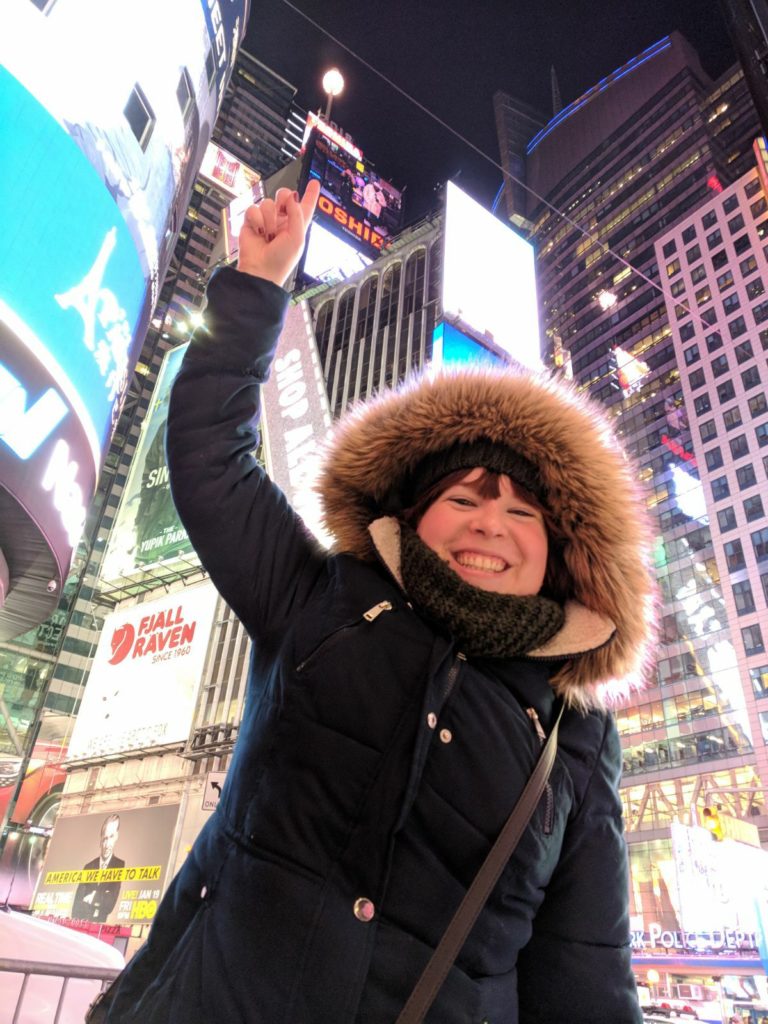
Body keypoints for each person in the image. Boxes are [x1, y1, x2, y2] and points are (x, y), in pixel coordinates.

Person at [97, 179, 655, 1023]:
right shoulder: (321, 598)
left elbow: (584, 980)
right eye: (463, 499)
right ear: (413, 516)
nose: (489, 525)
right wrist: (255, 289)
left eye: (521, 511)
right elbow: (214, 464)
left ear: (562, 554)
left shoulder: (574, 738)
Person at [72, 813, 124, 923]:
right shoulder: (89, 867)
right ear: (100, 839)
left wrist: (92, 897)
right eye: (105, 838)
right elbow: (77, 905)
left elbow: (109, 905)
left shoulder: (119, 865)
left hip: (101, 925)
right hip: (82, 923)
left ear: (117, 837)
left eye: (111, 837)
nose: (107, 844)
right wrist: (101, 898)